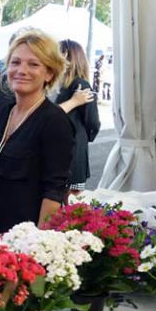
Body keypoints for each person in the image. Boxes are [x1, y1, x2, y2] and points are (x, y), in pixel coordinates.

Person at [0, 29, 74, 233]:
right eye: (15, 62)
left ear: (49, 73)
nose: (21, 70)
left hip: (25, 240)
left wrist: (37, 244)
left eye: (33, 64)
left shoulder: (54, 120)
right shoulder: (7, 111)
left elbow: (54, 191)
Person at [56, 40, 100, 196]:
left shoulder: (60, 85)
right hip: (74, 148)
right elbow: (93, 122)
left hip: (61, 147)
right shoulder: (82, 84)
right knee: (73, 200)